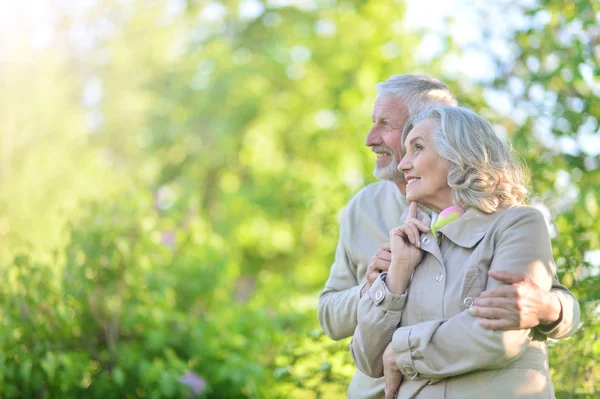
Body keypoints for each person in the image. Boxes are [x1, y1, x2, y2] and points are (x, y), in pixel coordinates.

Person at [317, 75, 580, 398]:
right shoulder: (381, 220)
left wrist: (402, 351)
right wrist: (385, 283)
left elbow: (502, 331)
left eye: (387, 124)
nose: (403, 164)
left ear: (454, 147)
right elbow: (364, 354)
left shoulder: (514, 222)